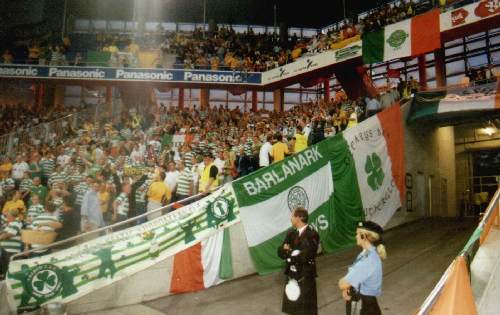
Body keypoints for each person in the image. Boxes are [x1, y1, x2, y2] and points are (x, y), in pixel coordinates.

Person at [278, 207, 320, 315]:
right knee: (293, 309)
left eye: (292, 216)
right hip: (292, 276)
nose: (291, 219)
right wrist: (291, 253)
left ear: (299, 218)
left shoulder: (312, 235)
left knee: (306, 310)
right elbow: (280, 251)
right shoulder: (291, 234)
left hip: (305, 277)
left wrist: (289, 253)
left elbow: (306, 256)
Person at [338, 221, 386, 315]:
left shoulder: (367, 261)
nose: (356, 236)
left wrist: (345, 286)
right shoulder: (365, 253)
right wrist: (348, 289)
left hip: (364, 306)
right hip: (364, 301)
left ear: (363, 236)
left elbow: (342, 284)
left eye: (357, 234)